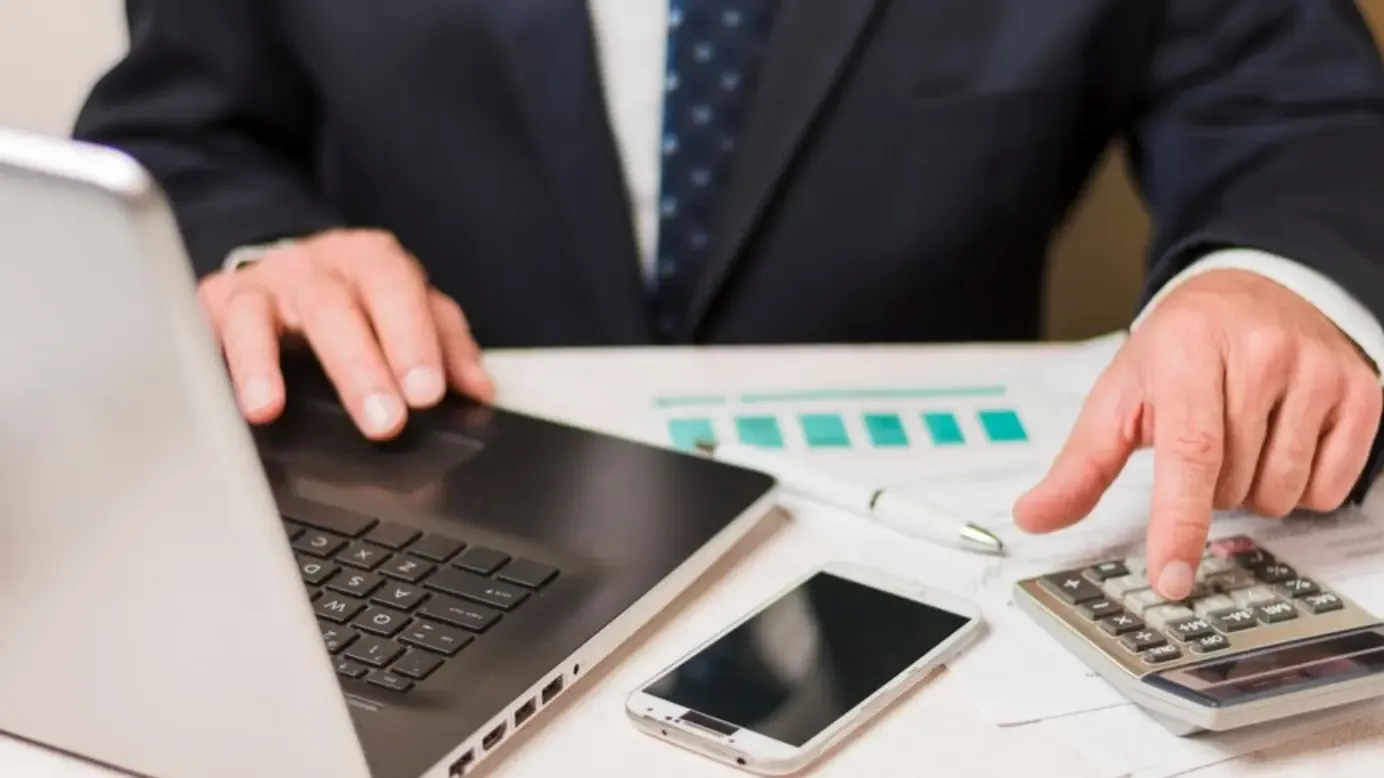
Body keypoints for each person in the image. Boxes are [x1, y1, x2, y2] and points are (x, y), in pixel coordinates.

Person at [73, 0, 1384, 600]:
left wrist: (1277, 277)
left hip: (924, 575)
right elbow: (186, 135)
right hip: (418, 545)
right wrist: (257, 252)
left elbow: (1301, 113)